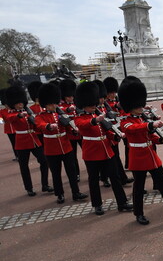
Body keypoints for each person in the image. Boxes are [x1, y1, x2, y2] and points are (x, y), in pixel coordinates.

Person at [118, 79, 163, 225]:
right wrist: (150, 125)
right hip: (138, 159)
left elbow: (150, 136)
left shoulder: (141, 118)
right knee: (138, 188)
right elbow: (133, 129)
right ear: (130, 106)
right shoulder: (126, 121)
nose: (141, 107)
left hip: (152, 157)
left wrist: (161, 140)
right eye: (138, 105)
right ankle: (138, 213)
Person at [73, 81, 133, 215]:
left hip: (106, 150)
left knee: (115, 177)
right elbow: (83, 126)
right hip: (92, 152)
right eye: (91, 105)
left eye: (94, 104)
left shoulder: (97, 115)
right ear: (84, 105)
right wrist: (95, 120)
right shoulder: (79, 118)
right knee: (93, 180)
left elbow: (107, 131)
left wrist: (117, 136)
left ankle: (122, 202)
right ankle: (97, 204)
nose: (94, 107)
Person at [35, 83, 88, 204]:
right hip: (52, 148)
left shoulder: (60, 114)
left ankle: (76, 192)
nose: (54, 105)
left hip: (65, 146)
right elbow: (39, 125)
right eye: (51, 104)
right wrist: (48, 126)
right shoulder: (41, 116)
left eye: (55, 103)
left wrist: (74, 131)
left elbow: (68, 126)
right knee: (56, 173)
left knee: (71, 171)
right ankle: (60, 194)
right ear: (46, 104)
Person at [4, 84, 51, 196]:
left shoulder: (28, 112)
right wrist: (20, 116)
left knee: (44, 161)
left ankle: (45, 184)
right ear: (13, 104)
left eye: (21, 102)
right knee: (24, 166)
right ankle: (29, 188)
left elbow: (35, 125)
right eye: (18, 103)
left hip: (34, 139)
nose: (20, 104)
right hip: (22, 142)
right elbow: (10, 119)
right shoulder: (12, 114)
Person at [59, 79, 82, 182]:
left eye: (72, 96)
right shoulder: (61, 106)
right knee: (72, 157)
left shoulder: (77, 104)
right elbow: (59, 113)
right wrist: (68, 110)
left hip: (80, 133)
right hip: (70, 134)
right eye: (68, 96)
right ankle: (76, 174)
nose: (71, 98)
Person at [0, 88, 19, 161]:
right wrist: (1, 120)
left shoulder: (14, 110)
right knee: (13, 143)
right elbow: (0, 117)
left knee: (18, 143)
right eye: (5, 105)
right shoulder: (2, 111)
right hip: (8, 129)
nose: (6, 106)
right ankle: (17, 156)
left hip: (16, 128)